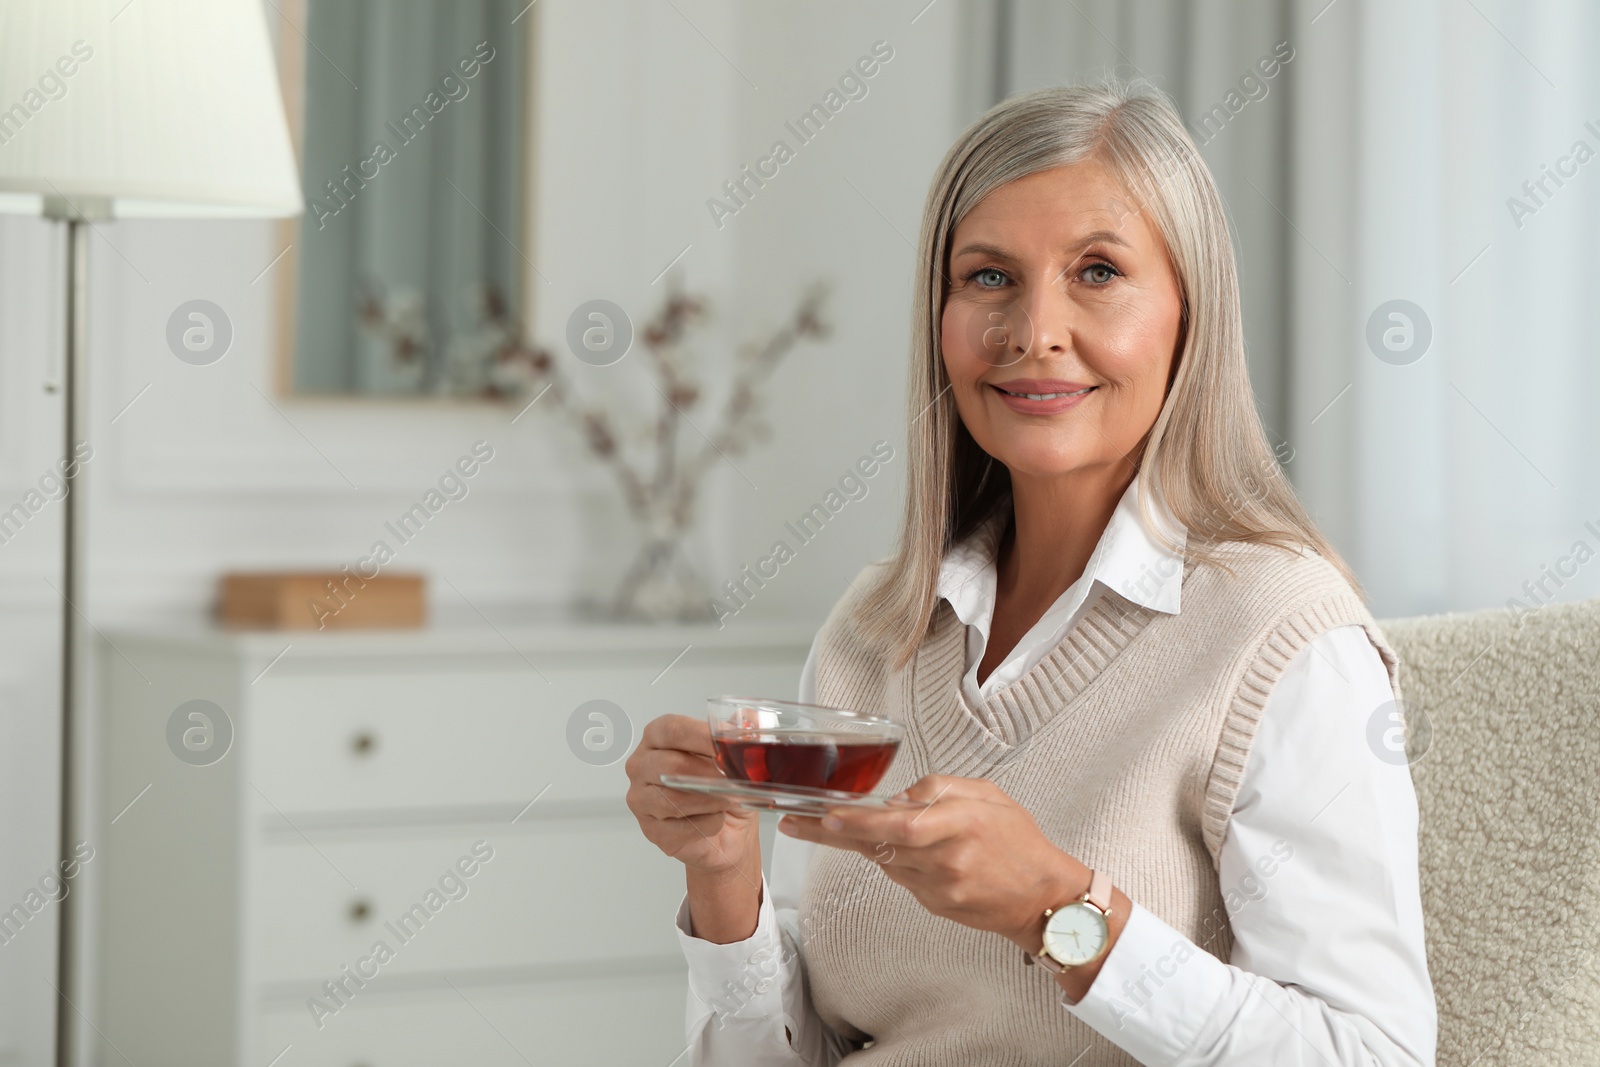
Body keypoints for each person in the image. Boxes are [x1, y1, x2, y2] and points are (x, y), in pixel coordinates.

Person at [624, 79, 1436, 1066]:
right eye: (989, 277)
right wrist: (723, 883)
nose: (1033, 331)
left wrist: (1059, 909)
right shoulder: (873, 630)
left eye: (1098, 271)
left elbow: (1370, 1052)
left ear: (1189, 314)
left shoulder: (1282, 638)